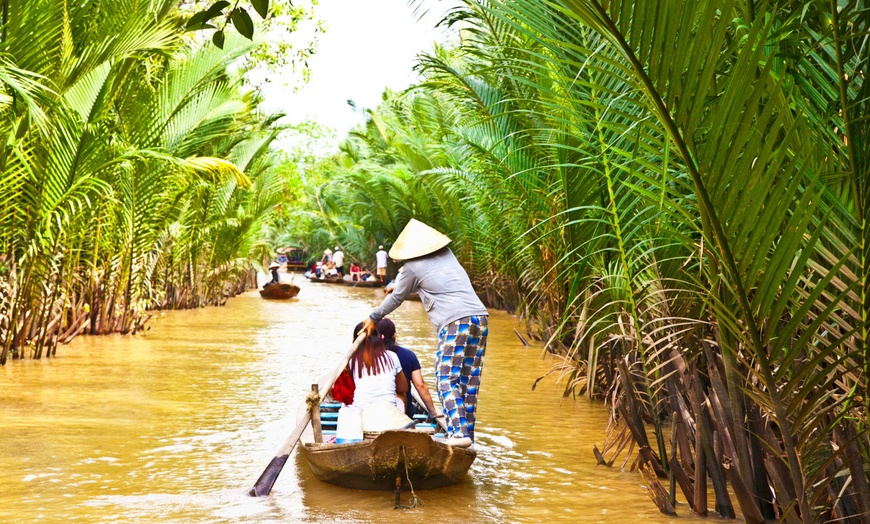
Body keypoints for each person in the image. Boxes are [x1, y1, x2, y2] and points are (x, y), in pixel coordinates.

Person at [360, 219, 488, 448]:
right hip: (479, 317)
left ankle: (458, 433)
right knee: (469, 381)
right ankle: (468, 435)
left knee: (445, 377)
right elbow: (433, 282)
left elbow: (398, 297)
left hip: (455, 322)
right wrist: (398, 285)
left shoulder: (411, 268)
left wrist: (373, 317)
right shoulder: (448, 254)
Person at [376, 318, 438, 419]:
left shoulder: (368, 357)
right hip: (404, 410)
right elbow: (420, 385)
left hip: (374, 408)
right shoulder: (408, 355)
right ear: (394, 336)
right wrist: (433, 412)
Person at [349, 322, 409, 411]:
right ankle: (401, 420)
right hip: (388, 411)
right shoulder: (392, 356)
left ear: (354, 342)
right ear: (379, 339)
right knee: (402, 395)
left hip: (361, 410)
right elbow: (403, 388)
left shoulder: (351, 361)